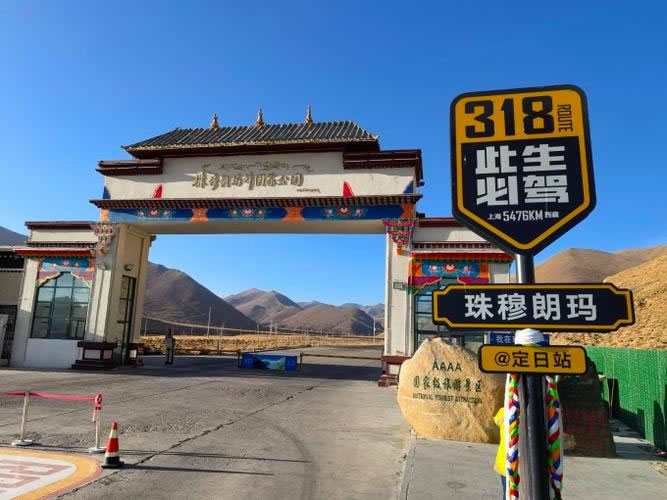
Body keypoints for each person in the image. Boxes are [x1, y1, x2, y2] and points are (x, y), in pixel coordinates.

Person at [494, 406, 506, 499]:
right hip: (507, 463)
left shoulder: (504, 412)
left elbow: (496, 419)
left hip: (504, 463)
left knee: (507, 493)